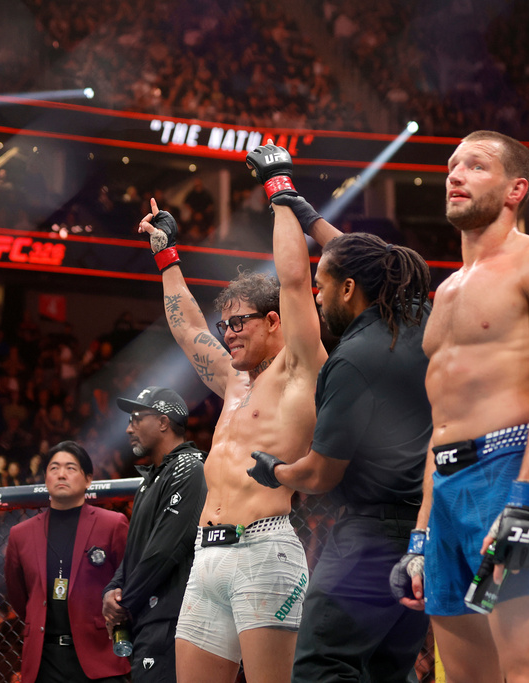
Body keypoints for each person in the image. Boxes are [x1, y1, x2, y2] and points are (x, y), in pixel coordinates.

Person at [391, 130, 529, 683]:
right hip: (448, 491)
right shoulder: (447, 292)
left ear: (515, 189)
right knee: (462, 674)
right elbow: (440, 424)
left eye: (475, 166)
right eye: (452, 165)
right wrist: (420, 535)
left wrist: (526, 500)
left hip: (510, 473)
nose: (454, 175)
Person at [137, 140, 327, 683]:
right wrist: (166, 255)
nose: (228, 333)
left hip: (264, 548)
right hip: (208, 554)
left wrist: (279, 189)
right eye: (227, 324)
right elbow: (187, 327)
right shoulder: (233, 380)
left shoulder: (298, 369)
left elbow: (294, 280)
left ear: (274, 322)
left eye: (239, 322)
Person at [245, 184, 434, 682]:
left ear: (348, 289)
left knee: (320, 667)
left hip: (372, 540)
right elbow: (373, 259)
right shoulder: (422, 320)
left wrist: (275, 469)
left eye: (322, 285)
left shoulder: (353, 360)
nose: (317, 295)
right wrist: (307, 215)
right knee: (388, 672)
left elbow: (322, 474)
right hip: (426, 536)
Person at [103, 387, 208, 682]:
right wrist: (112, 587)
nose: (128, 428)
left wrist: (124, 603)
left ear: (163, 422)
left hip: (174, 620)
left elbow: (166, 550)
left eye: (136, 418)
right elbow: (136, 551)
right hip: (150, 618)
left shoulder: (189, 467)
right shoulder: (153, 478)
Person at [4, 441, 130, 683]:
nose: (61, 474)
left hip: (99, 657)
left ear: (88, 479)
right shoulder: (20, 533)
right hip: (43, 661)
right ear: (45, 478)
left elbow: (130, 582)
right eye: (54, 468)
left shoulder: (113, 524)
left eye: (71, 468)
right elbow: (20, 598)